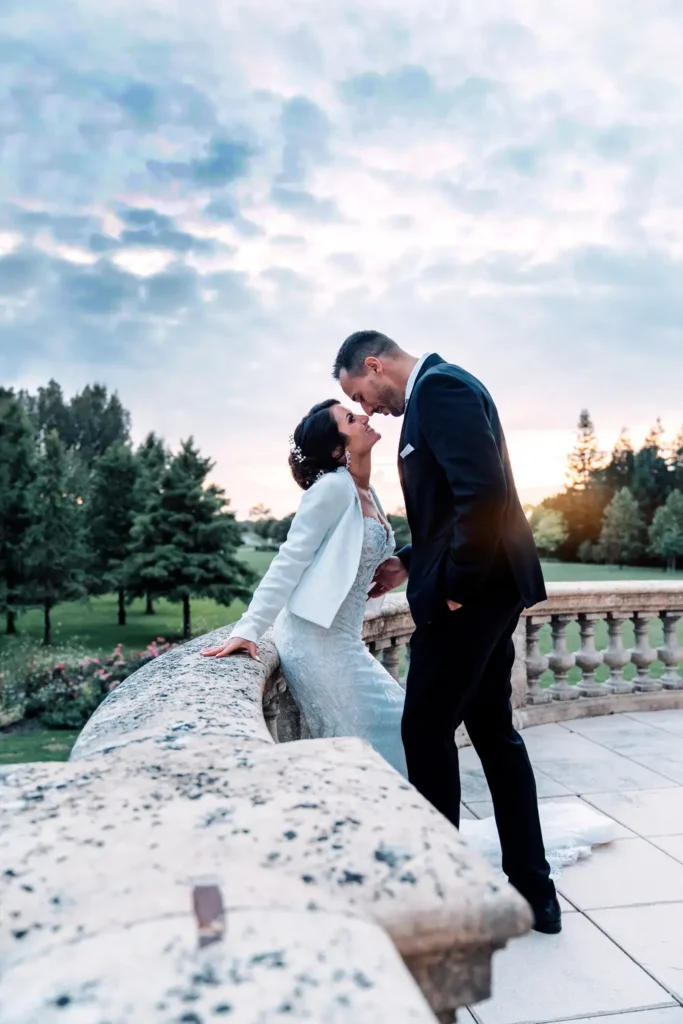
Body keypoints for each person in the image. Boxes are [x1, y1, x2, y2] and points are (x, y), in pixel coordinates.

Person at [332, 330, 562, 934]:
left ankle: (442, 903)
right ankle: (535, 895)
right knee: (493, 735)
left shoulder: (442, 390)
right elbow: (452, 505)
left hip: (473, 596)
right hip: (483, 592)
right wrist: (410, 559)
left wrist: (454, 586)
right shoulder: (441, 391)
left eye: (363, 391)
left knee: (424, 731)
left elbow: (483, 496)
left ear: (375, 365)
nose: (371, 407)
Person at [201, 399, 407, 775]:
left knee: (397, 728)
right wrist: (248, 629)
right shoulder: (330, 489)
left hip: (346, 640)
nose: (364, 416)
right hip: (316, 644)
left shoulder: (367, 491)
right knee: (392, 731)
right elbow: (288, 562)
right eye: (351, 418)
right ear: (337, 449)